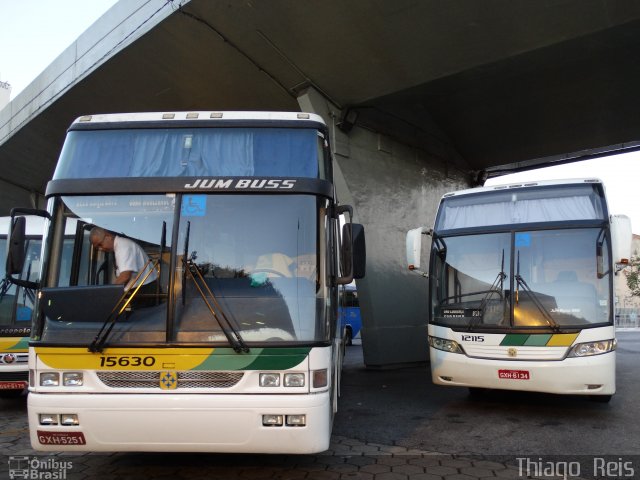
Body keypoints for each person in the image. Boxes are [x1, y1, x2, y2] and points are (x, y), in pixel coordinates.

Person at [89, 226, 158, 305]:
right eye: (97, 248)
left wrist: (108, 293)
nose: (100, 249)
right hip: (140, 291)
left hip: (144, 291)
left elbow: (125, 276)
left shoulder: (123, 246)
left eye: (100, 244)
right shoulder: (119, 247)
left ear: (108, 236)